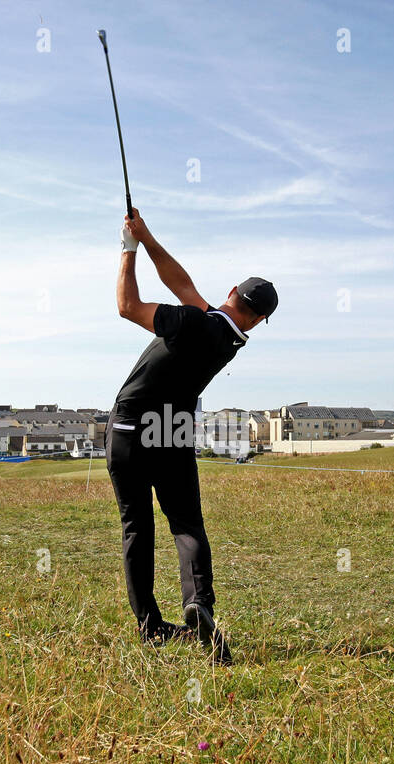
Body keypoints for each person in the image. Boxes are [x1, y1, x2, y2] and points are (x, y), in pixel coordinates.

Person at [106, 208, 277, 665]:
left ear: (230, 294)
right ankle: (198, 602)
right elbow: (181, 284)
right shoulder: (227, 338)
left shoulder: (192, 322)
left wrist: (127, 250)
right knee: (186, 523)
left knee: (137, 528)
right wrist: (146, 238)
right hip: (173, 431)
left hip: (129, 428)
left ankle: (150, 626)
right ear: (257, 320)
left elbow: (127, 306)